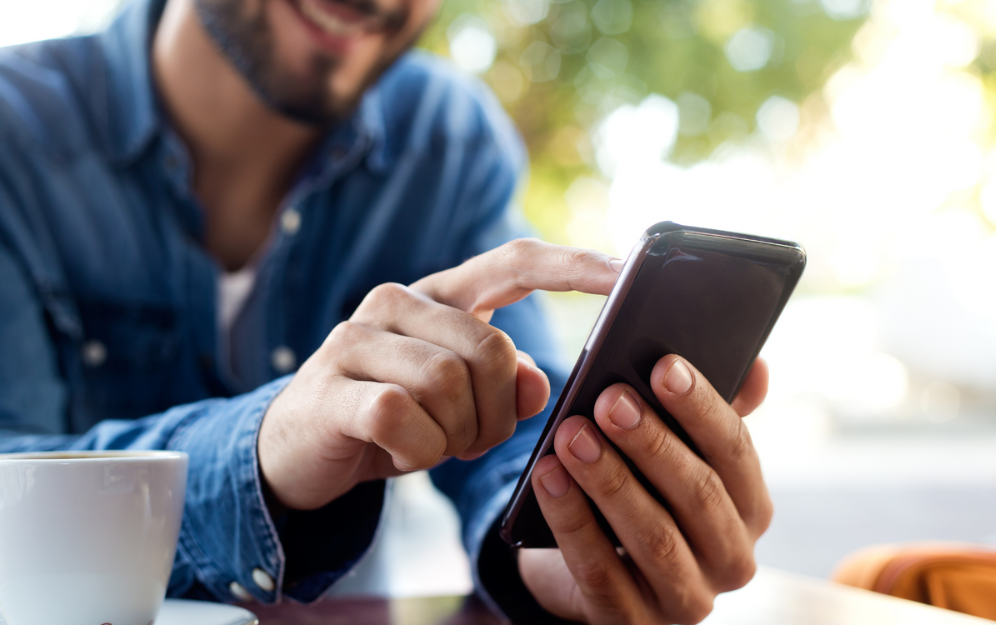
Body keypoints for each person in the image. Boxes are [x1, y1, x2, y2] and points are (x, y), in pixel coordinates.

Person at [0, 0, 773, 621]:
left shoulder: (447, 140)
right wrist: (267, 450)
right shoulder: (15, 137)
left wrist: (561, 547)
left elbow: (515, 445)